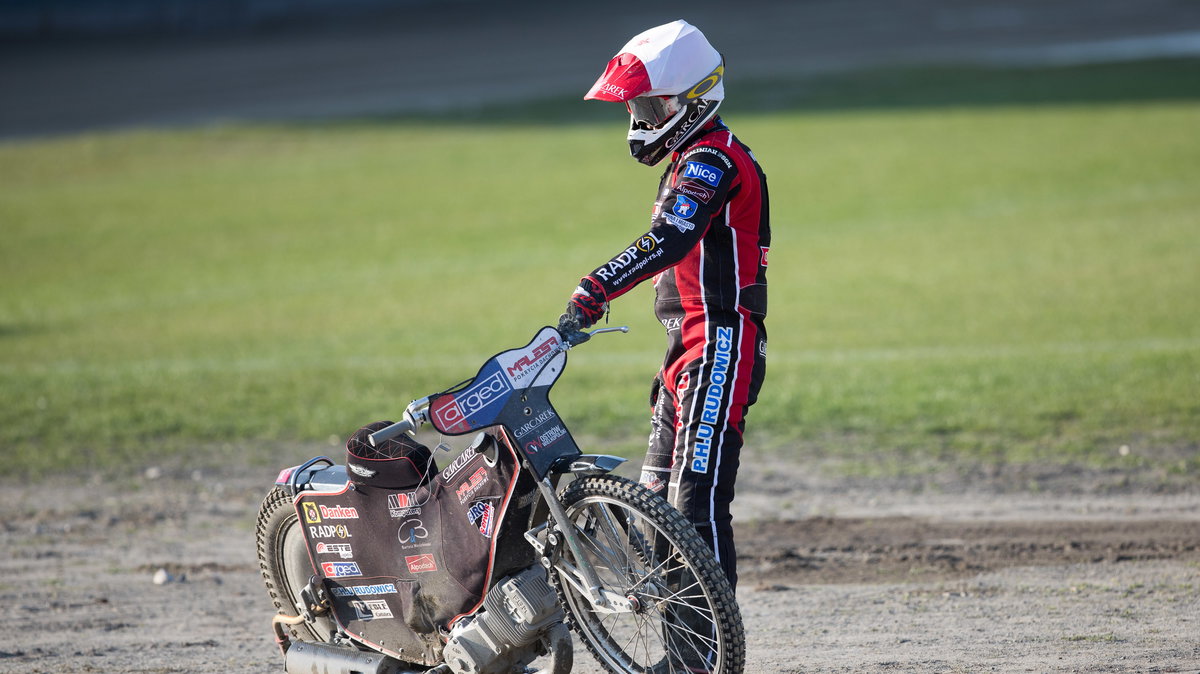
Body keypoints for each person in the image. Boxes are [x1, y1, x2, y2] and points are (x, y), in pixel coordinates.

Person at [557, 19, 769, 590]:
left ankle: (706, 653)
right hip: (684, 352)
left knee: (696, 505)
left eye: (650, 109)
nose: (640, 124)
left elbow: (672, 238)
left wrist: (597, 287)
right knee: (657, 509)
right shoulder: (688, 160)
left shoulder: (712, 158)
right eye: (636, 112)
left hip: (720, 345)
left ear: (693, 100)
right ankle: (678, 649)